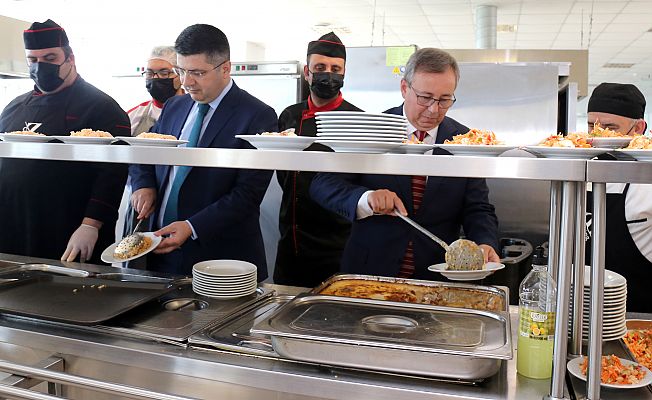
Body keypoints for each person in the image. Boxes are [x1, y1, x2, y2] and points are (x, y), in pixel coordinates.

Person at [309, 48, 500, 279]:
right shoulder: (371, 129)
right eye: (425, 97)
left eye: (444, 99)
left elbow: (478, 208)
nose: (434, 109)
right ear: (404, 88)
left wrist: (485, 242)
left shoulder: (465, 141)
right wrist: (366, 198)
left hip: (437, 276)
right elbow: (323, 184)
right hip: (370, 271)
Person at [129, 24, 277, 279]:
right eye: (181, 71)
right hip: (158, 249)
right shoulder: (175, 106)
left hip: (219, 257)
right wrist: (143, 184)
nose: (186, 82)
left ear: (225, 68)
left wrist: (191, 226)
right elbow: (145, 149)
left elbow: (248, 194)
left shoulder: (257, 115)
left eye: (197, 73)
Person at [0, 19, 130, 263]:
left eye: (50, 58)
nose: (40, 66)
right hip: (12, 227)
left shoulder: (102, 108)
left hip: (69, 231)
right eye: (33, 60)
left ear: (70, 58)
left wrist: (91, 225)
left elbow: (113, 174)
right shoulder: (14, 107)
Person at [274, 32, 362, 287]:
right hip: (291, 241)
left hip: (338, 244)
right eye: (320, 68)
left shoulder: (357, 120)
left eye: (335, 69)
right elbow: (283, 174)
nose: (328, 74)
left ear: (344, 74)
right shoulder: (289, 115)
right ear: (307, 72)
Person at [586, 82, 652, 312]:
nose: (597, 136)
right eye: (591, 126)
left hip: (638, 319)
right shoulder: (581, 171)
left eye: (609, 128)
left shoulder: (647, 181)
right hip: (583, 311)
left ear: (638, 128)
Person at [127, 46, 184, 136]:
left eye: (164, 73)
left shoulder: (194, 111)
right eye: (149, 73)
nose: (155, 78)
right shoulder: (133, 115)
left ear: (180, 74)